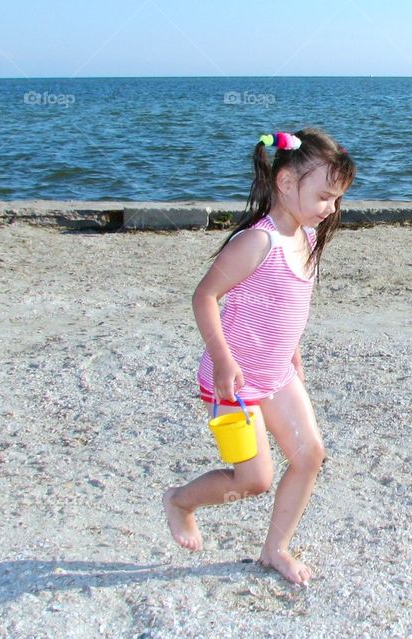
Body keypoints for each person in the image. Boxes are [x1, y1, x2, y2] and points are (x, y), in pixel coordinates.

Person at [163, 128, 355, 586]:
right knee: (253, 480)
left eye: (336, 199)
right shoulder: (257, 242)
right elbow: (205, 297)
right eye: (325, 197)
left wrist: (294, 355)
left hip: (277, 372)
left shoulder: (305, 238)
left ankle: (275, 549)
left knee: (309, 455)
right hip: (235, 381)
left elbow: (284, 310)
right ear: (286, 183)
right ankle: (180, 501)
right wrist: (223, 359)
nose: (330, 209)